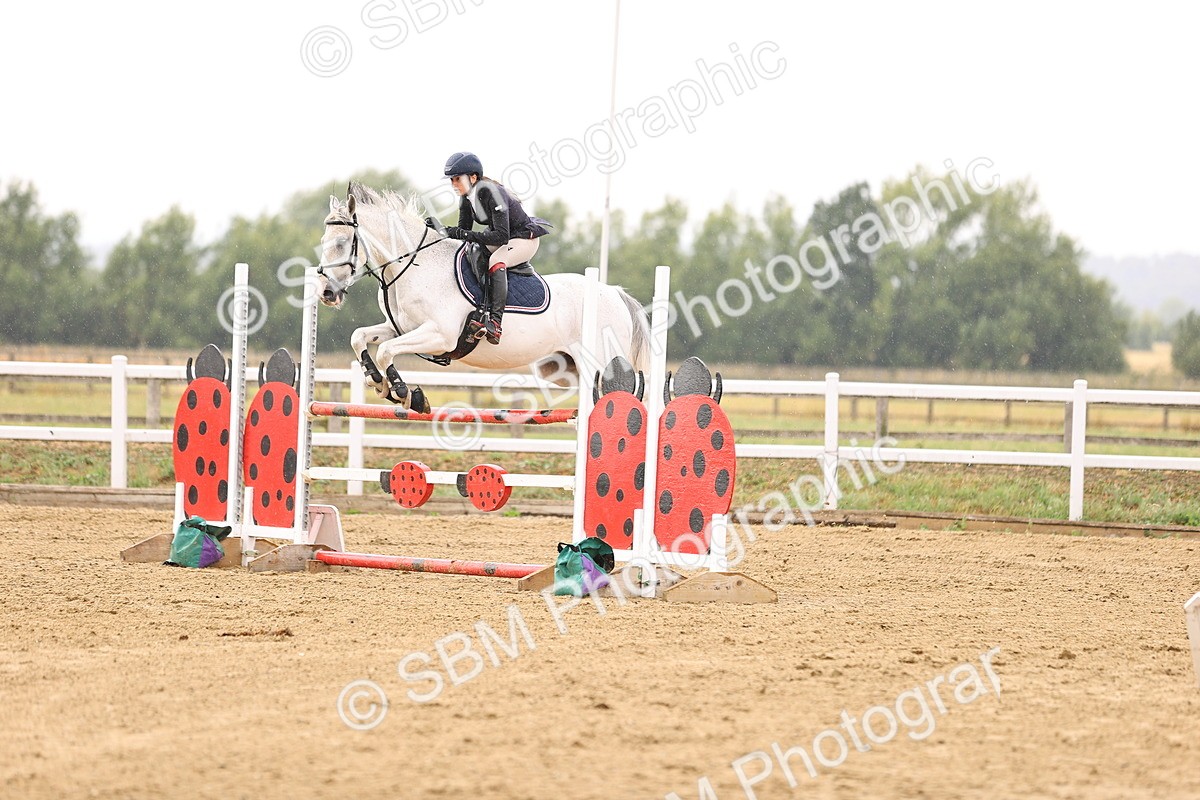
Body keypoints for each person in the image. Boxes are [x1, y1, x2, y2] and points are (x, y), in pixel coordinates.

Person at [431, 151, 551, 345]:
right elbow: (464, 232)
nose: (453, 184)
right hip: (505, 237)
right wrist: (441, 230)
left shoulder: (492, 192)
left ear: (473, 177)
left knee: (496, 260)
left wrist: (462, 234)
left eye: (457, 179)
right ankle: (480, 309)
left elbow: (501, 236)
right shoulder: (466, 197)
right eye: (451, 180)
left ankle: (495, 323)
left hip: (523, 239)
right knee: (472, 251)